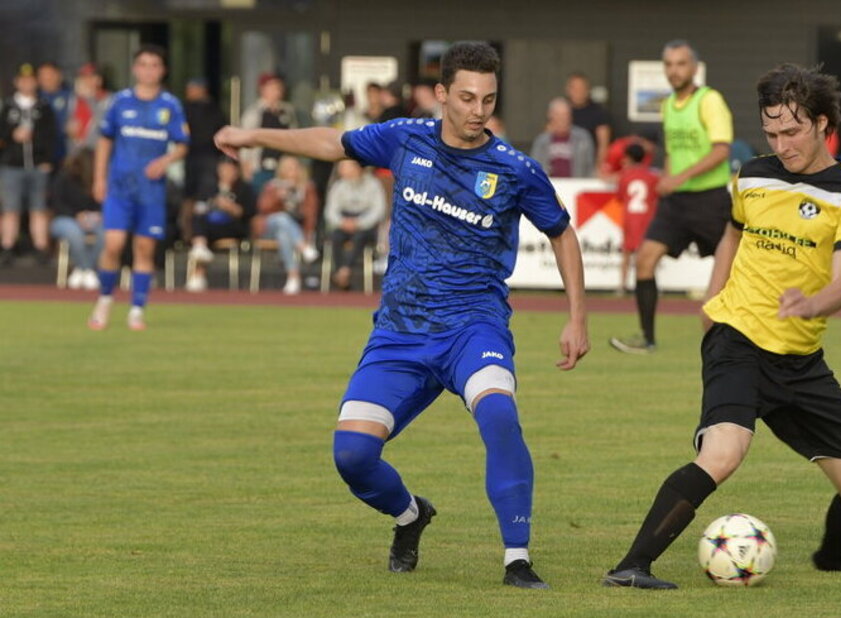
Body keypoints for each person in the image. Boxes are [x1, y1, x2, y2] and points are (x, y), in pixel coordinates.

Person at [213, 40, 589, 589]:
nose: (477, 110)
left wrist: (577, 317)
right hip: (401, 331)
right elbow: (330, 142)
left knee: (500, 417)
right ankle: (411, 514)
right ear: (442, 95)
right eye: (465, 97)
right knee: (353, 456)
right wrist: (254, 137)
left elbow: (561, 232)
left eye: (488, 99)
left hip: (472, 326)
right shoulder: (403, 138)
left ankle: (517, 560)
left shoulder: (514, 169)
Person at [602, 63, 841, 590]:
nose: (781, 144)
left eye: (791, 131)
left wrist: (813, 304)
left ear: (821, 123)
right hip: (736, 338)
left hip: (800, 359)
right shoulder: (754, 174)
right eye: (771, 133)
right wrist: (713, 296)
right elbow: (732, 234)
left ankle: (833, 558)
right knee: (722, 453)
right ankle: (632, 566)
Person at [610, 40, 733, 354]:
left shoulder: (709, 100)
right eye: (668, 64)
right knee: (645, 260)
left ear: (694, 68)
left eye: (680, 64)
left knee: (733, 268)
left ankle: (740, 337)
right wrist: (666, 177)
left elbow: (721, 150)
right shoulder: (667, 105)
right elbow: (673, 152)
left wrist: (679, 177)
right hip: (676, 202)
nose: (674, 70)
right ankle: (647, 339)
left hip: (709, 199)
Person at [88, 44, 190, 331]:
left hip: (152, 189)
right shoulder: (120, 102)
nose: (148, 70)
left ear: (163, 70)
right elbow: (105, 141)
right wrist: (99, 178)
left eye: (154, 65)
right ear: (135, 69)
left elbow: (182, 145)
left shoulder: (170, 105)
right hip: (120, 186)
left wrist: (166, 160)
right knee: (113, 245)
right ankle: (105, 299)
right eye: (143, 64)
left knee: (144, 249)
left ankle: (136, 310)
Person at [0, 64, 58, 266]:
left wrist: (47, 160)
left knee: (38, 208)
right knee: (10, 209)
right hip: (11, 166)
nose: (26, 83)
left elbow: (52, 137)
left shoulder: (44, 107)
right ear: (16, 82)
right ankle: (7, 247)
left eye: (31, 80)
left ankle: (40, 248)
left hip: (37, 165)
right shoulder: (7, 107)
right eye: (23, 80)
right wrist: (11, 136)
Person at [185, 157, 255, 292]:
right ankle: (199, 261)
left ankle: (198, 267)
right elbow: (199, 208)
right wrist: (214, 203)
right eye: (223, 168)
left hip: (233, 227)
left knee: (202, 232)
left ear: (236, 171)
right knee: (200, 222)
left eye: (230, 169)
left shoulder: (244, 188)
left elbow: (247, 213)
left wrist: (228, 206)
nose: (226, 172)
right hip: (210, 226)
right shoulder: (209, 187)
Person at [252, 154, 319, 295]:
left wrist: (309, 234)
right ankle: (304, 248)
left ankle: (293, 277)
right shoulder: (272, 186)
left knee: (283, 234)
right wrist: (278, 197)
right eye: (288, 168)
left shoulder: (307, 188)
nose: (292, 172)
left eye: (294, 168)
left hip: (294, 232)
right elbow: (262, 208)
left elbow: (311, 213)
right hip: (269, 227)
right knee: (281, 218)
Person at [324, 159, 387, 290]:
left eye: (346, 167)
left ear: (358, 168)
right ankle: (342, 271)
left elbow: (378, 210)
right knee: (336, 237)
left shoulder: (373, 184)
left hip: (366, 225)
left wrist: (359, 223)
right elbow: (330, 211)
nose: (341, 171)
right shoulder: (338, 186)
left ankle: (343, 272)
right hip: (344, 222)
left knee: (360, 237)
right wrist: (342, 222)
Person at [50, 147, 103, 289]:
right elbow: (56, 203)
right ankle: (87, 269)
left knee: (106, 233)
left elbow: (104, 204)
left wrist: (96, 215)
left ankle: (83, 270)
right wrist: (75, 215)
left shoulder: (99, 181)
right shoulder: (64, 178)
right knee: (74, 233)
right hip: (65, 219)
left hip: (93, 220)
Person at [182, 77, 229, 238]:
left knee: (206, 196)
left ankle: (202, 234)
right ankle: (187, 233)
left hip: (209, 157)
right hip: (188, 157)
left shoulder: (213, 109)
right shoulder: (184, 108)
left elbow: (222, 132)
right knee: (188, 196)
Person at [240, 73, 298, 192]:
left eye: (279, 87)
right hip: (260, 167)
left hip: (283, 168)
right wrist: (246, 166)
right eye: (272, 87)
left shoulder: (287, 111)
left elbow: (294, 136)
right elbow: (245, 140)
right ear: (263, 89)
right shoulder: (254, 112)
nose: (277, 91)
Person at [616, 142, 659, 295]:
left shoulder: (625, 177)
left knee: (627, 253)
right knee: (647, 254)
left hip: (630, 218)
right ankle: (648, 285)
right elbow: (656, 196)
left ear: (629, 158)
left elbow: (620, 197)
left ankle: (622, 285)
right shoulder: (652, 177)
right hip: (647, 218)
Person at [530, 97, 595, 178]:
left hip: (577, 187)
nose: (562, 118)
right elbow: (535, 170)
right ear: (550, 116)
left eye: (565, 114)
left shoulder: (583, 138)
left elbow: (590, 168)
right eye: (558, 114)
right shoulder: (541, 141)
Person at [565, 72, 612, 170]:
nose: (578, 91)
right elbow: (548, 137)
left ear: (587, 90)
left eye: (581, 88)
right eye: (574, 88)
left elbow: (603, 145)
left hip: (587, 165)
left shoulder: (598, 113)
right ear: (568, 90)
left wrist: (597, 168)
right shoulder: (561, 110)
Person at [66, 63, 112, 152]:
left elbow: (100, 121)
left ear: (99, 80)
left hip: (98, 152)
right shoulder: (73, 99)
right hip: (77, 152)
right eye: (83, 78)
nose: (86, 81)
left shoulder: (110, 99)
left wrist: (88, 98)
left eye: (91, 77)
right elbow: (70, 123)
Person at [37, 61, 71, 168]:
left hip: (66, 155)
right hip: (40, 158)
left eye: (50, 75)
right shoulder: (34, 99)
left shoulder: (71, 97)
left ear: (59, 76)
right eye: (43, 76)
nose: (47, 79)